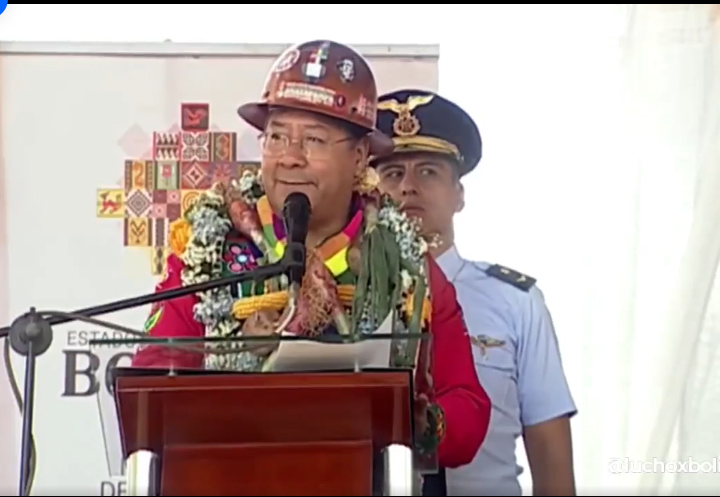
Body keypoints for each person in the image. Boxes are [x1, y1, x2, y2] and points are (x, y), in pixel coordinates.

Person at [131, 41, 491, 485]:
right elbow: (150, 378)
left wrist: (408, 419)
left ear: (360, 156)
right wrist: (231, 366)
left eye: (313, 140)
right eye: (277, 136)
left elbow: (468, 408)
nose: (289, 156)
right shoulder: (208, 248)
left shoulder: (405, 262)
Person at [373, 89, 577, 496]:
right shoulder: (345, 302)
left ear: (459, 196)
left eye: (428, 171)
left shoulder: (517, 303)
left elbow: (553, 465)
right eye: (393, 174)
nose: (408, 187)